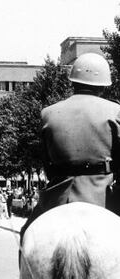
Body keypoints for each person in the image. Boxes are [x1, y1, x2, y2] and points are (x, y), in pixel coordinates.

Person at [20, 53, 120, 241]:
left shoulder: (48, 113)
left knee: (27, 234)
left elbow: (47, 162)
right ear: (104, 85)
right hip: (104, 197)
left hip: (59, 196)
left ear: (73, 82)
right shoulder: (115, 112)